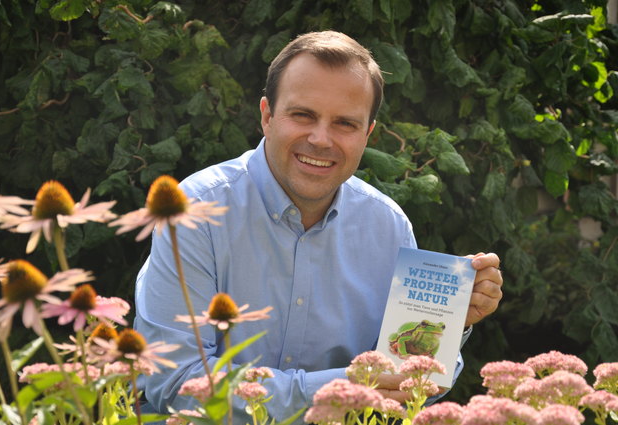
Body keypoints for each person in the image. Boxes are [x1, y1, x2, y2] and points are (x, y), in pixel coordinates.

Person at [134, 30, 503, 423]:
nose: (320, 139)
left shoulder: (389, 228)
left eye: (345, 123)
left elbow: (403, 399)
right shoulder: (196, 212)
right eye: (303, 115)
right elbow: (177, 384)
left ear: (367, 135)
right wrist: (342, 390)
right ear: (267, 116)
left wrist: (449, 320)